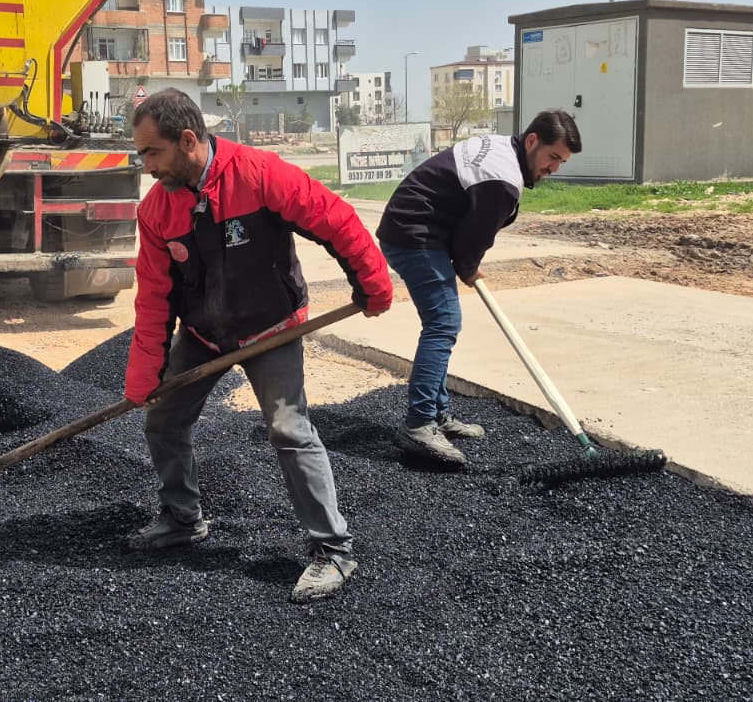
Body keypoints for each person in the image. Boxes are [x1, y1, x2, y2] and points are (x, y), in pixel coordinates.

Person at [124, 89, 393, 603]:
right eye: (142, 155)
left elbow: (333, 218)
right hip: (204, 334)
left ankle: (334, 550)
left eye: (152, 153)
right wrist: (145, 375)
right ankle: (182, 518)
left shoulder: (259, 174)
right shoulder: (157, 210)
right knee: (163, 420)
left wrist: (371, 280)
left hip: (272, 328)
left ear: (187, 140)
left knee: (288, 428)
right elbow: (154, 296)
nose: (147, 166)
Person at [375, 110, 582, 466]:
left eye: (561, 161)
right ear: (532, 141)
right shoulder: (502, 179)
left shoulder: (504, 149)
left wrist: (467, 264)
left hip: (419, 228)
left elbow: (468, 233)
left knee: (443, 322)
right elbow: (472, 240)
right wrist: (469, 267)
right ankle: (419, 424)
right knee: (443, 323)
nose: (554, 168)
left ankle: (437, 414)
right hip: (413, 234)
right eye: (552, 157)